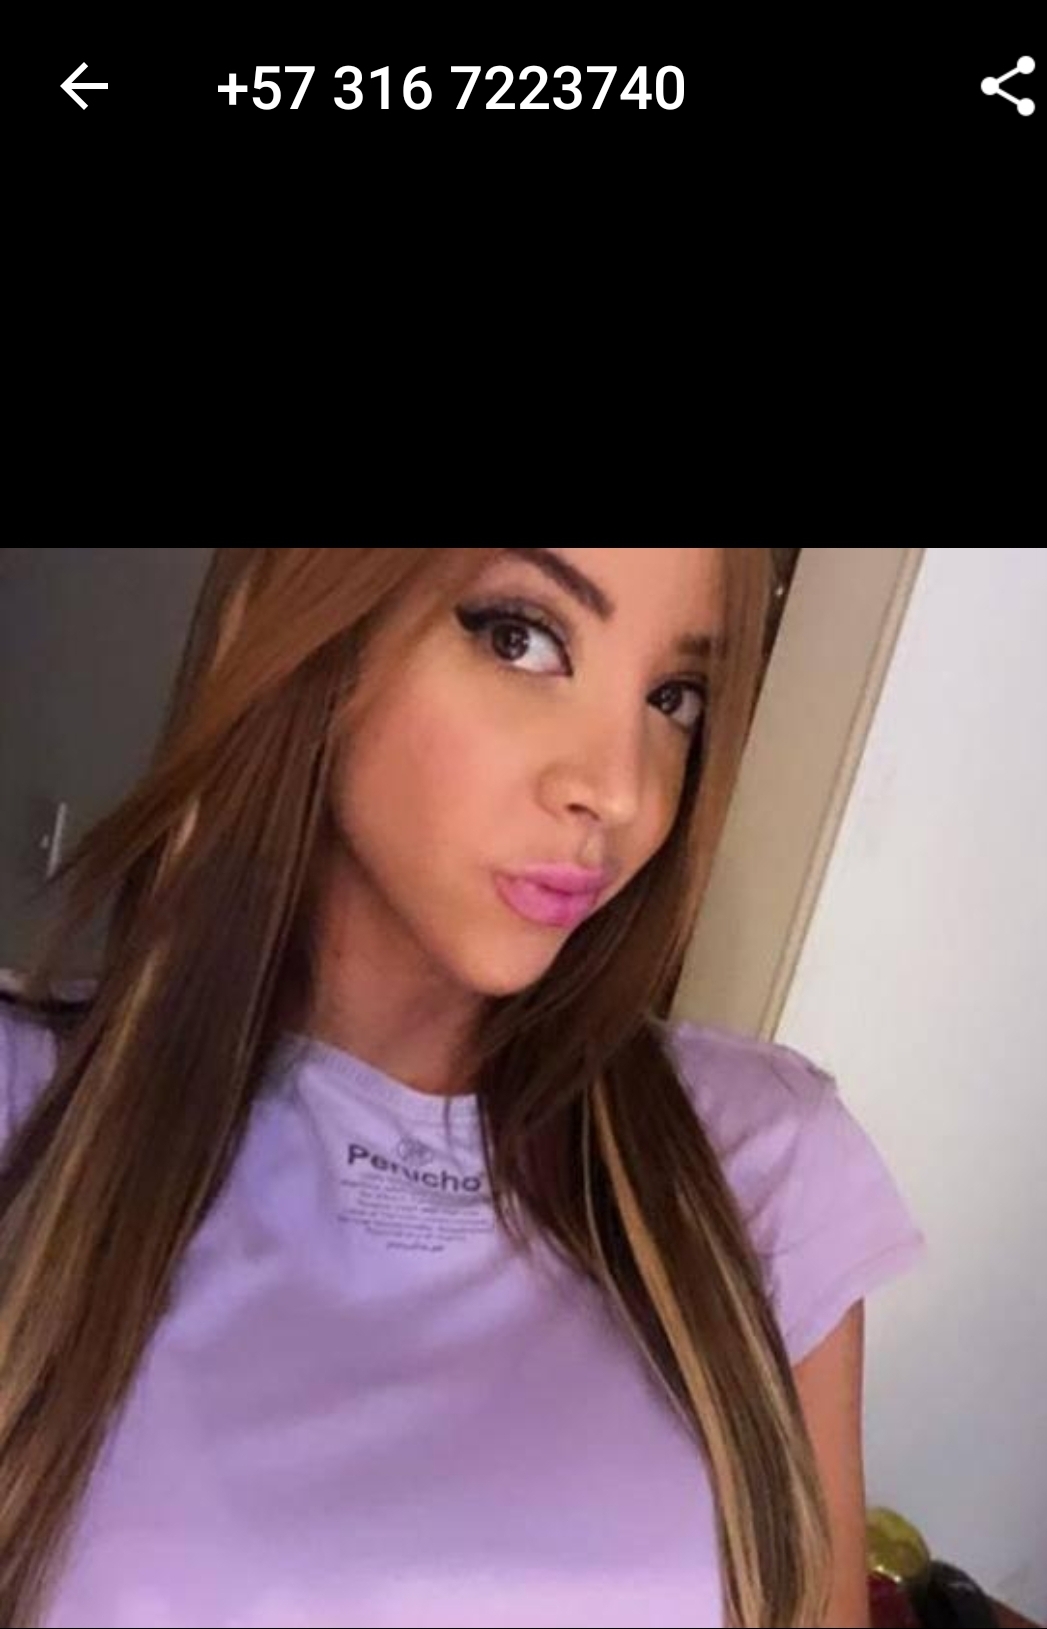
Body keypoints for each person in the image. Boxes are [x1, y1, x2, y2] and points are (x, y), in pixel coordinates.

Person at [0, 547, 927, 1628]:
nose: (619, 790)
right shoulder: (32, 1113)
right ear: (313, 622)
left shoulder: (759, 1161)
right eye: (520, 639)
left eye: (675, 697)